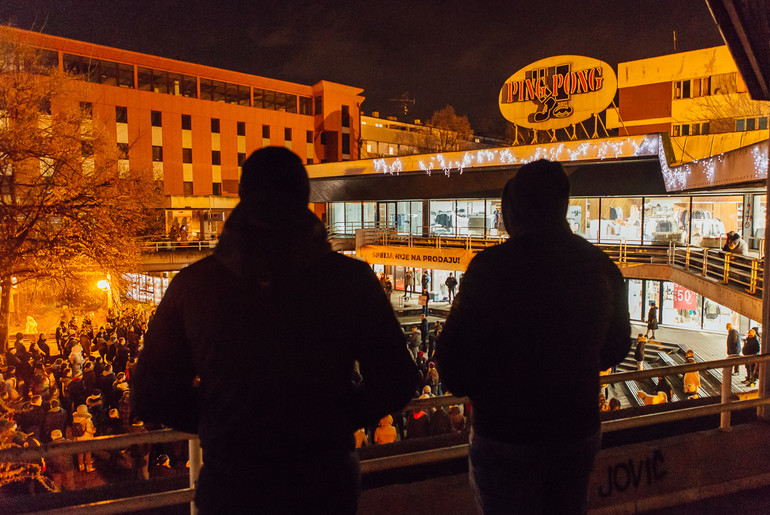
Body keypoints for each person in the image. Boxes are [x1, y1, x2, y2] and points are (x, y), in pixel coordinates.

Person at [132, 147, 418, 514]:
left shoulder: (193, 285)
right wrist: (335, 417)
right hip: (323, 487)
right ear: (303, 198)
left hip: (231, 489)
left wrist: (221, 420)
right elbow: (397, 379)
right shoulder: (351, 281)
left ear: (243, 197)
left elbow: (151, 393)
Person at [435, 160, 631, 515]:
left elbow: (451, 367)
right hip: (576, 431)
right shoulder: (600, 265)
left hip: (505, 435)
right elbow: (618, 345)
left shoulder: (489, 269)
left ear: (513, 211)